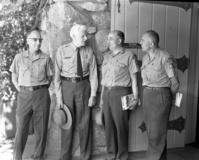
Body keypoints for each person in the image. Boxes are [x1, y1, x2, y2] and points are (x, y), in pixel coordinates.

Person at [54, 24, 98, 160]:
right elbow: (56, 76)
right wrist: (59, 96)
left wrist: (93, 94)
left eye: (86, 35)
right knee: (67, 122)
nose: (85, 38)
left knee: (85, 123)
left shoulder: (89, 51)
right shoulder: (62, 51)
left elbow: (93, 74)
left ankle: (85, 156)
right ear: (73, 36)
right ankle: (65, 156)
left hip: (84, 86)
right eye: (82, 36)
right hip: (67, 87)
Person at [10, 28, 54, 160]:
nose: (38, 43)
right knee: (21, 128)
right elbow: (14, 77)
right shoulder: (19, 57)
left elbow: (50, 78)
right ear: (28, 41)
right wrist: (21, 90)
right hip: (24, 95)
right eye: (35, 40)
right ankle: (17, 158)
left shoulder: (46, 58)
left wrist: (40, 89)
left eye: (40, 40)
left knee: (41, 129)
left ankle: (38, 157)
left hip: (41, 94)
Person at [140, 30, 180, 160]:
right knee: (153, 132)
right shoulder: (146, 58)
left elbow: (175, 83)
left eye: (143, 40)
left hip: (161, 95)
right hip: (147, 95)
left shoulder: (166, 57)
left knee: (157, 133)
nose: (140, 42)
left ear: (151, 43)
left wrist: (169, 99)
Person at [100, 30, 139, 160]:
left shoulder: (129, 55)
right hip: (107, 93)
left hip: (121, 93)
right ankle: (112, 155)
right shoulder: (107, 56)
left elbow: (134, 79)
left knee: (121, 125)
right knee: (109, 125)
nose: (108, 41)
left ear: (119, 41)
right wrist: (101, 98)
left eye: (111, 39)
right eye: (108, 39)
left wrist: (136, 97)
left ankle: (122, 156)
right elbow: (103, 79)